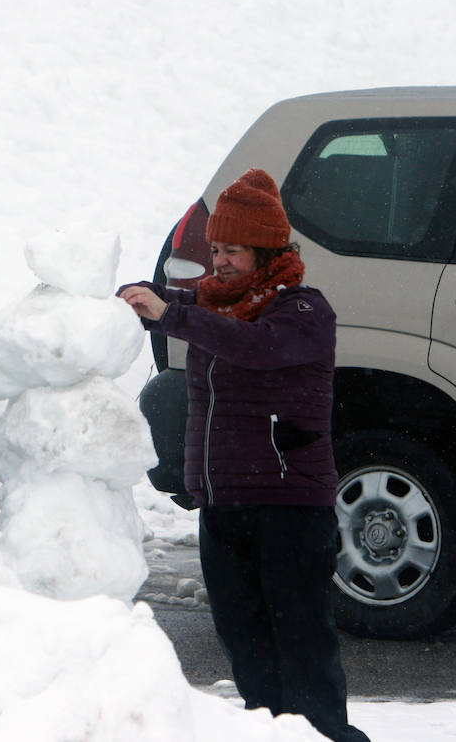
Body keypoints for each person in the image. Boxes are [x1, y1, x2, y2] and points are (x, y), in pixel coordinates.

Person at [119, 168, 369, 742]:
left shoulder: (304, 311)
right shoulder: (214, 303)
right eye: (216, 250)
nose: (222, 260)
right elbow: (197, 310)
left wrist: (172, 314)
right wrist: (140, 297)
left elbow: (254, 347)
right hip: (224, 500)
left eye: (234, 249)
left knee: (302, 647)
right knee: (247, 646)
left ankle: (324, 736)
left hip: (287, 503)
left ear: (266, 250)